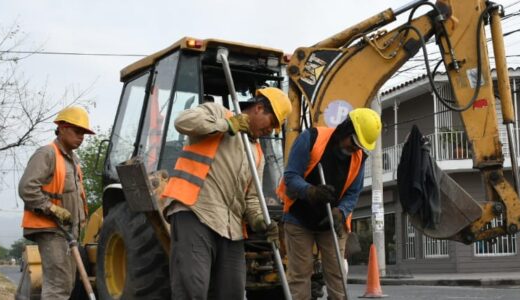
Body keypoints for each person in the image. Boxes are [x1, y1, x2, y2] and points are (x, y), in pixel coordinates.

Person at [160, 87, 291, 299]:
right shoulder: (218, 113)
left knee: (232, 292)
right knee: (193, 289)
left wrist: (259, 220)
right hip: (195, 211)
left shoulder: (257, 153)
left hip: (231, 228)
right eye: (272, 122)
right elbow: (183, 122)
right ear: (259, 108)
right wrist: (226, 125)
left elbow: (251, 197)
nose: (271, 131)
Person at [278, 108, 382, 300]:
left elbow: (353, 193)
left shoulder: (359, 159)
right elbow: (291, 177)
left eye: (360, 146)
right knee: (300, 275)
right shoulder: (311, 139)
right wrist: (311, 192)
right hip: (299, 217)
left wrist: (340, 212)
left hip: (331, 221)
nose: (355, 148)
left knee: (337, 275)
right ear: (346, 129)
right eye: (354, 142)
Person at [19, 105, 95, 299]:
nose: (81, 137)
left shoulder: (74, 161)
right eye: (77, 131)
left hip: (68, 234)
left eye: (84, 134)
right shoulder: (47, 154)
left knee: (67, 284)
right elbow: (27, 188)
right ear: (62, 128)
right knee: (58, 286)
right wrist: (51, 208)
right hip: (51, 229)